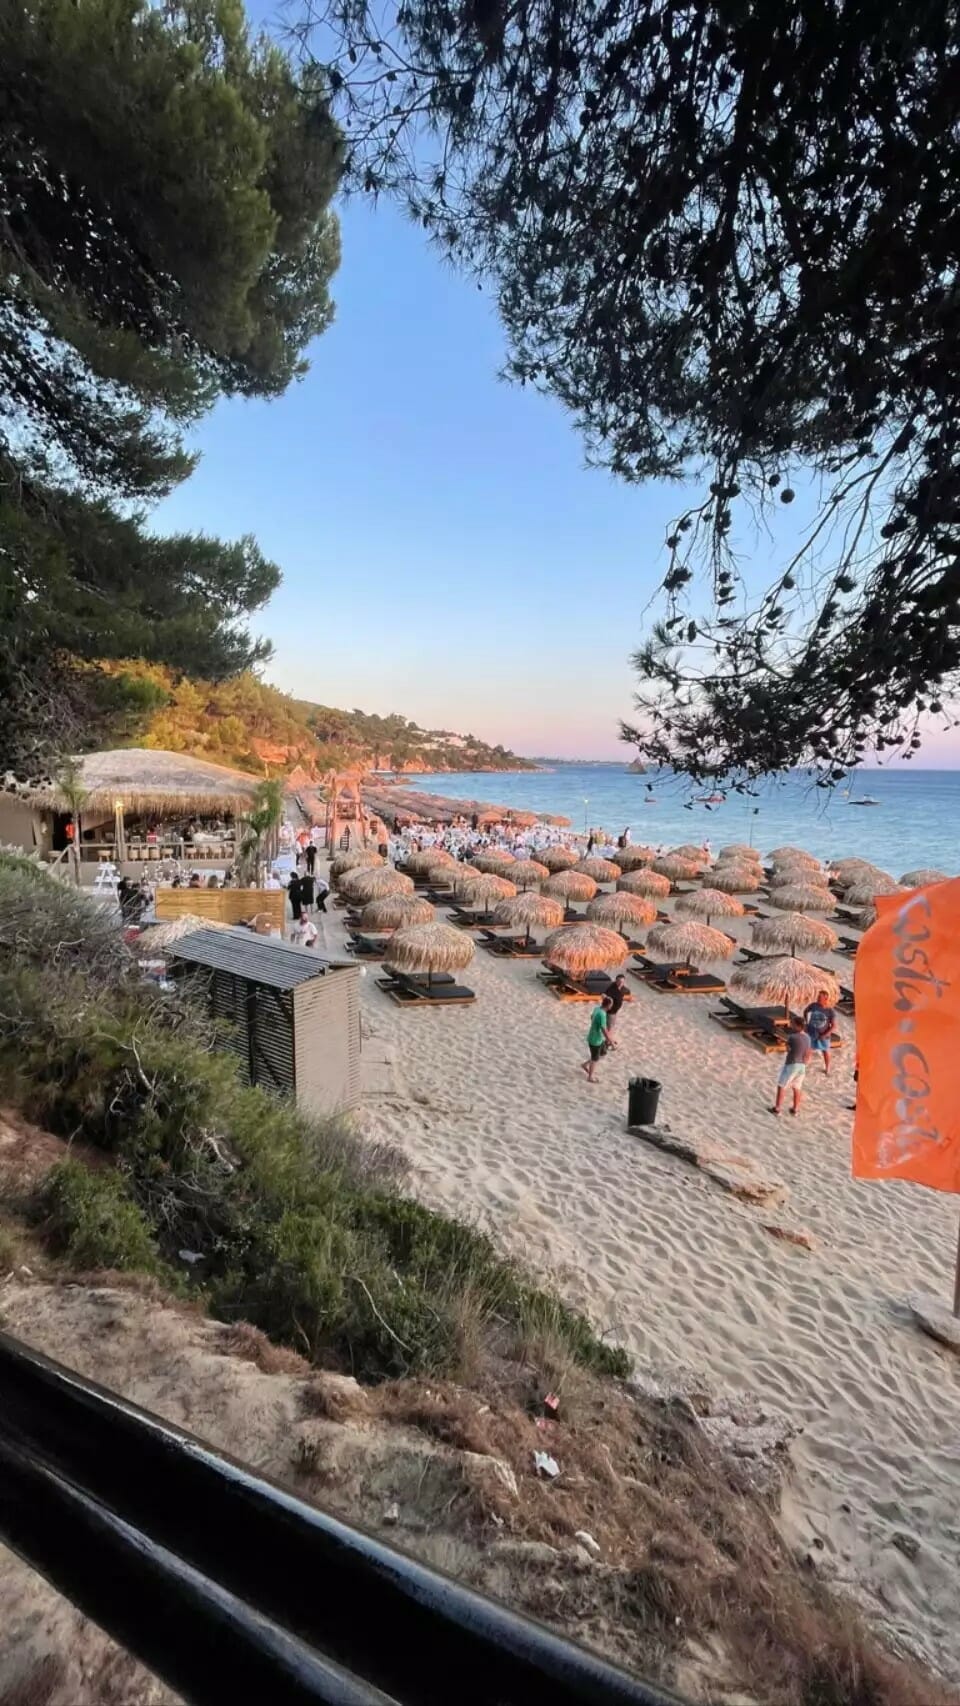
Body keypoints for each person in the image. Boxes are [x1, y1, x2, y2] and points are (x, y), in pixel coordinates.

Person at [771, 1016, 812, 1116]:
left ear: (798, 1026)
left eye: (793, 1024)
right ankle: (795, 1109)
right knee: (797, 1087)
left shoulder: (792, 1037)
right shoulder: (807, 1037)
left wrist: (782, 1043)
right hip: (802, 1066)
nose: (791, 1026)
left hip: (792, 1064)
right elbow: (808, 1052)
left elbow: (788, 1049)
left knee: (782, 1085)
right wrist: (805, 1062)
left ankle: (777, 1109)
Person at [803, 989, 837, 1075]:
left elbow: (834, 1026)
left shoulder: (830, 1011)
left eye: (820, 997)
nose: (818, 998)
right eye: (818, 997)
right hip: (812, 1033)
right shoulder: (814, 1005)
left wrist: (825, 1035)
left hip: (823, 1035)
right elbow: (805, 1011)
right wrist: (806, 1023)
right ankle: (803, 1068)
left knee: (825, 1051)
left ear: (825, 999)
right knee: (808, 1050)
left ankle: (827, 1068)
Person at [581, 996, 612, 1083]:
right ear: (608, 1005)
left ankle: (585, 1064)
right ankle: (590, 1077)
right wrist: (610, 1041)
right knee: (595, 1059)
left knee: (603, 1052)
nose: (612, 1006)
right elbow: (604, 1029)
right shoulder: (602, 1014)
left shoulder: (597, 1009)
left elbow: (591, 1017)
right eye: (611, 1005)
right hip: (595, 1040)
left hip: (597, 1038)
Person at [604, 975, 627, 1048]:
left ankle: (609, 1039)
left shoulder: (622, 988)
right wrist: (608, 1006)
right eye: (619, 981)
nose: (620, 983)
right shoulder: (612, 989)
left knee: (612, 1026)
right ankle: (608, 1042)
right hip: (610, 1011)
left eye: (622, 982)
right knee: (610, 1027)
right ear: (616, 981)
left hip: (615, 1011)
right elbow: (605, 996)